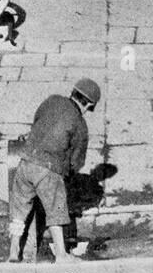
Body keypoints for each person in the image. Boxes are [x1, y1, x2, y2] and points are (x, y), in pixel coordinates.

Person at [8, 78, 100, 263]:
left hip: (25, 162)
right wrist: (66, 174)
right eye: (89, 108)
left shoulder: (51, 100)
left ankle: (13, 251)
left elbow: (37, 121)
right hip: (48, 170)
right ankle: (61, 255)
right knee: (56, 210)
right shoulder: (80, 125)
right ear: (87, 104)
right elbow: (76, 162)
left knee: (19, 211)